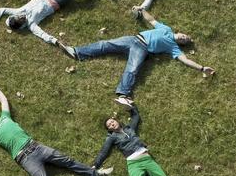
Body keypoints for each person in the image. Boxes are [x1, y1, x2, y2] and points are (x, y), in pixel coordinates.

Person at [57, 8, 215, 106]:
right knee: (105, 44)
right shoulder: (166, 28)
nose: (183, 38)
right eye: (184, 36)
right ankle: (77, 52)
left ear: (182, 44)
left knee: (132, 69)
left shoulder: (173, 47)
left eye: (185, 41)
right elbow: (151, 20)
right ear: (181, 32)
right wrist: (142, 9)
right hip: (133, 39)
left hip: (143, 49)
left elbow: (185, 59)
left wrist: (201, 67)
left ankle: (123, 95)